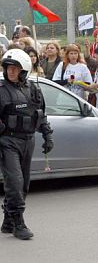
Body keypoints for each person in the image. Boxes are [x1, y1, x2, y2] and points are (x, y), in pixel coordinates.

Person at [0, 49, 54, 240]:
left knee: (24, 184)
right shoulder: (1, 90)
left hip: (28, 140)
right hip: (7, 141)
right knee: (15, 182)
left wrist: (47, 135)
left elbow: (40, 114)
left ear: (23, 70)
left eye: (15, 68)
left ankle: (8, 220)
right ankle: (18, 222)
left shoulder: (33, 89)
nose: (11, 72)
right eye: (8, 68)